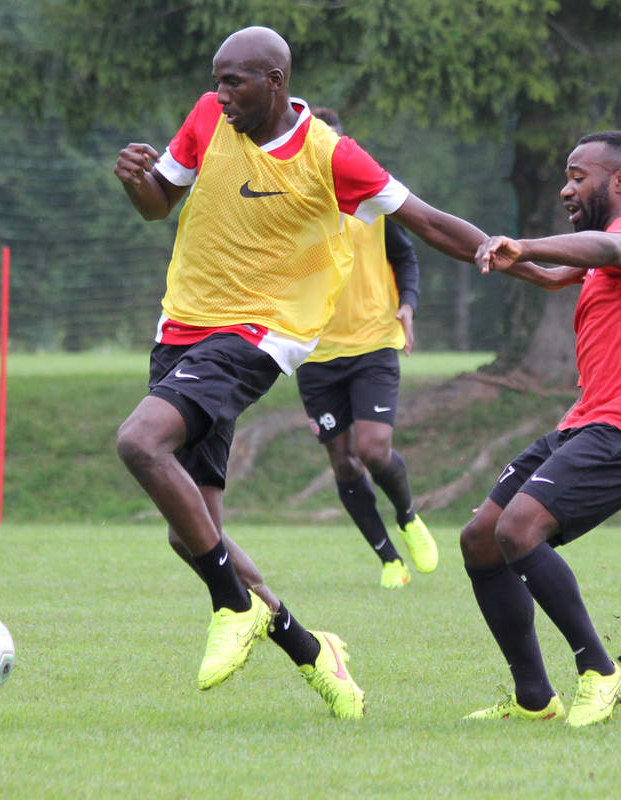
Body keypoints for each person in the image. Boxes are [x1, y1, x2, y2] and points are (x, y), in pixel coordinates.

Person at [113, 26, 487, 719]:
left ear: (275, 82)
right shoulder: (205, 119)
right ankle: (313, 651)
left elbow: (428, 223)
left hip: (263, 334)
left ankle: (232, 607)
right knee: (191, 529)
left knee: (140, 441)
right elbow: (159, 204)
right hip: (181, 328)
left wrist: (498, 250)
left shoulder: (330, 156)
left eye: (236, 83)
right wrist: (138, 183)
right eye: (217, 80)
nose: (220, 95)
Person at [462, 130, 621, 727]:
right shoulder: (597, 257)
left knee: (521, 528)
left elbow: (607, 249)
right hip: (589, 421)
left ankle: (602, 671)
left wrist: (527, 242)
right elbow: (547, 272)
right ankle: (535, 700)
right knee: (482, 538)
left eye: (578, 176)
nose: (566, 188)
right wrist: (476, 242)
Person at [296, 108, 438, 590]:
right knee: (342, 460)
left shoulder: (373, 202)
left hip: (374, 342)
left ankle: (408, 516)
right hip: (314, 355)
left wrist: (408, 306)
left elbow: (404, 255)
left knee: (373, 451)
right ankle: (388, 559)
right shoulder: (291, 212)